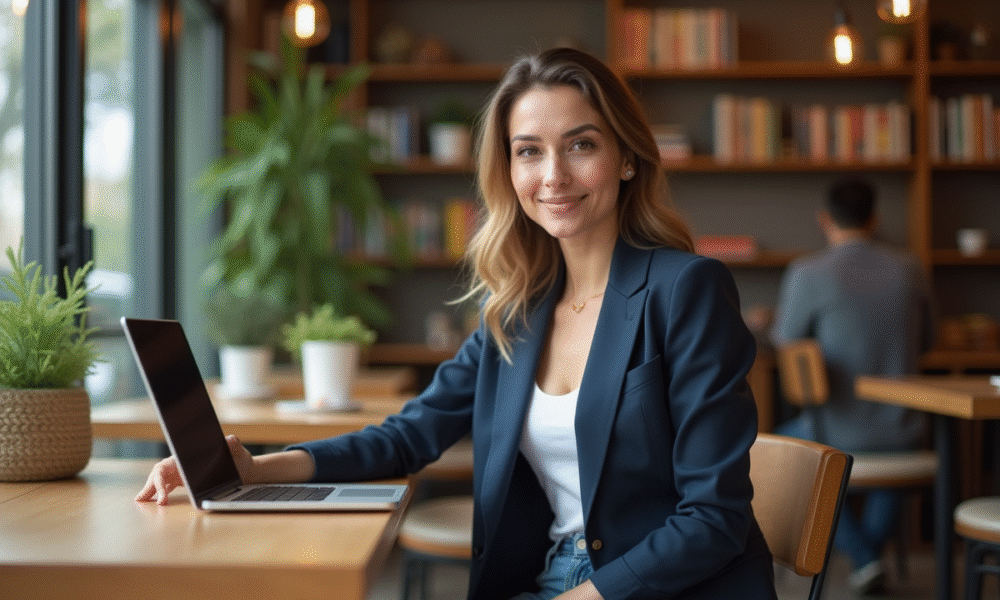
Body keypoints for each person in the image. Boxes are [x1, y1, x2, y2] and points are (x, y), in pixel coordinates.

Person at [138, 47, 777, 600]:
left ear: (627, 160)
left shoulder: (684, 289)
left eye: (581, 144)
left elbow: (713, 520)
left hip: (657, 588)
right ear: (510, 171)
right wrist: (255, 470)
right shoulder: (516, 312)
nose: (553, 175)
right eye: (529, 152)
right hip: (554, 574)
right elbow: (408, 435)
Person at [771, 178, 936, 595]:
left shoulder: (808, 271)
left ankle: (865, 557)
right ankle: (870, 558)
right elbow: (929, 340)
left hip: (836, 432)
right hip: (907, 430)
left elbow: (786, 340)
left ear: (824, 220)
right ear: (875, 220)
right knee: (887, 454)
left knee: (783, 450)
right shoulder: (910, 267)